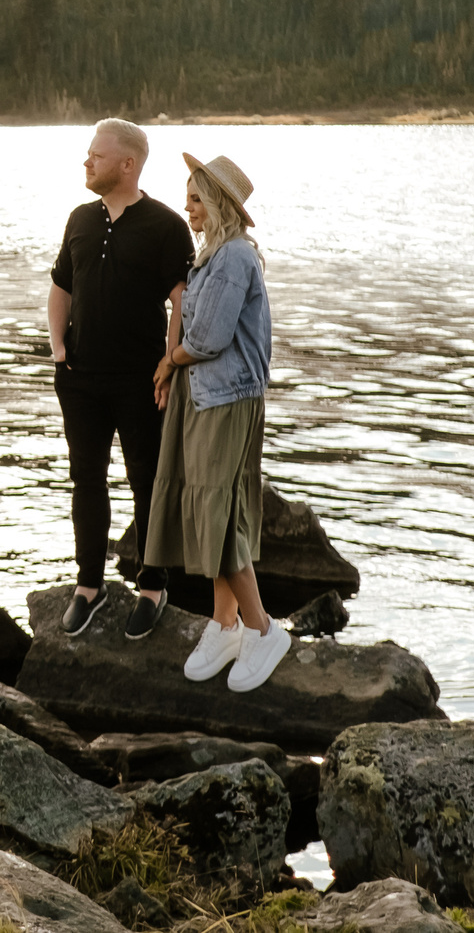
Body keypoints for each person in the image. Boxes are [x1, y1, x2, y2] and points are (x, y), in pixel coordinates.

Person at [146, 151, 288, 693]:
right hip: (207, 396)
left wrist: (167, 361)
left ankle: (262, 629)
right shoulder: (213, 256)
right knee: (213, 508)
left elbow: (206, 339)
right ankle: (224, 624)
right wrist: (173, 365)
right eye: (187, 198)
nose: (188, 209)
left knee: (216, 513)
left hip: (225, 399)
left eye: (197, 199)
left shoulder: (232, 258)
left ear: (221, 203)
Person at [48, 118, 193, 640]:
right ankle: (89, 585)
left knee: (147, 480)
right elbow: (62, 285)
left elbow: (181, 297)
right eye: (88, 155)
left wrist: (170, 361)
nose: (86, 162)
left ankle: (153, 586)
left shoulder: (165, 224)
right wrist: (57, 345)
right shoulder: (79, 220)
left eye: (96, 155)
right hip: (80, 379)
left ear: (127, 164)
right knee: (86, 479)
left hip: (140, 381)